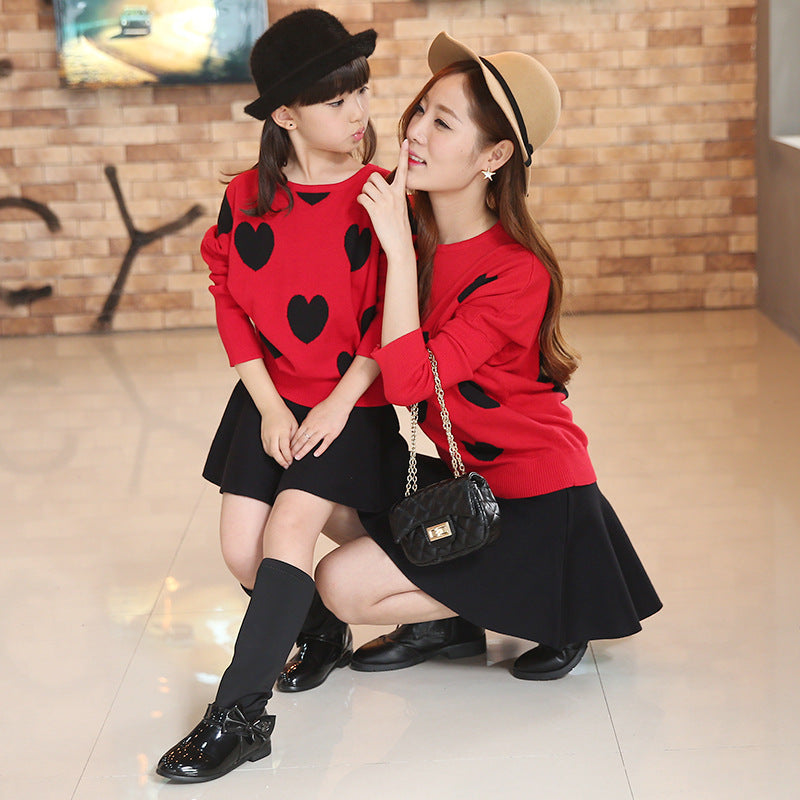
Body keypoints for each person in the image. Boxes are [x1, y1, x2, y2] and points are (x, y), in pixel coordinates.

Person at [313, 32, 662, 682]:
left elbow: (409, 384)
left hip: (536, 497)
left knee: (341, 584)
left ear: (495, 155)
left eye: (442, 123)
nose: (414, 132)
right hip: (462, 475)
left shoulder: (516, 272)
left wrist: (396, 254)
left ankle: (549, 597)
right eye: (420, 110)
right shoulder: (411, 227)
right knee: (325, 490)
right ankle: (450, 620)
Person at [156, 10, 408, 783]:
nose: (360, 112)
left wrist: (337, 403)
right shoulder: (246, 198)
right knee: (242, 550)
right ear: (287, 117)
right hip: (269, 398)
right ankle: (323, 630)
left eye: (362, 91)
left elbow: (393, 314)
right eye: (337, 100)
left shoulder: (379, 194)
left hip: (351, 401)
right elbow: (229, 300)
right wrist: (268, 404)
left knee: (289, 530)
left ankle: (238, 719)